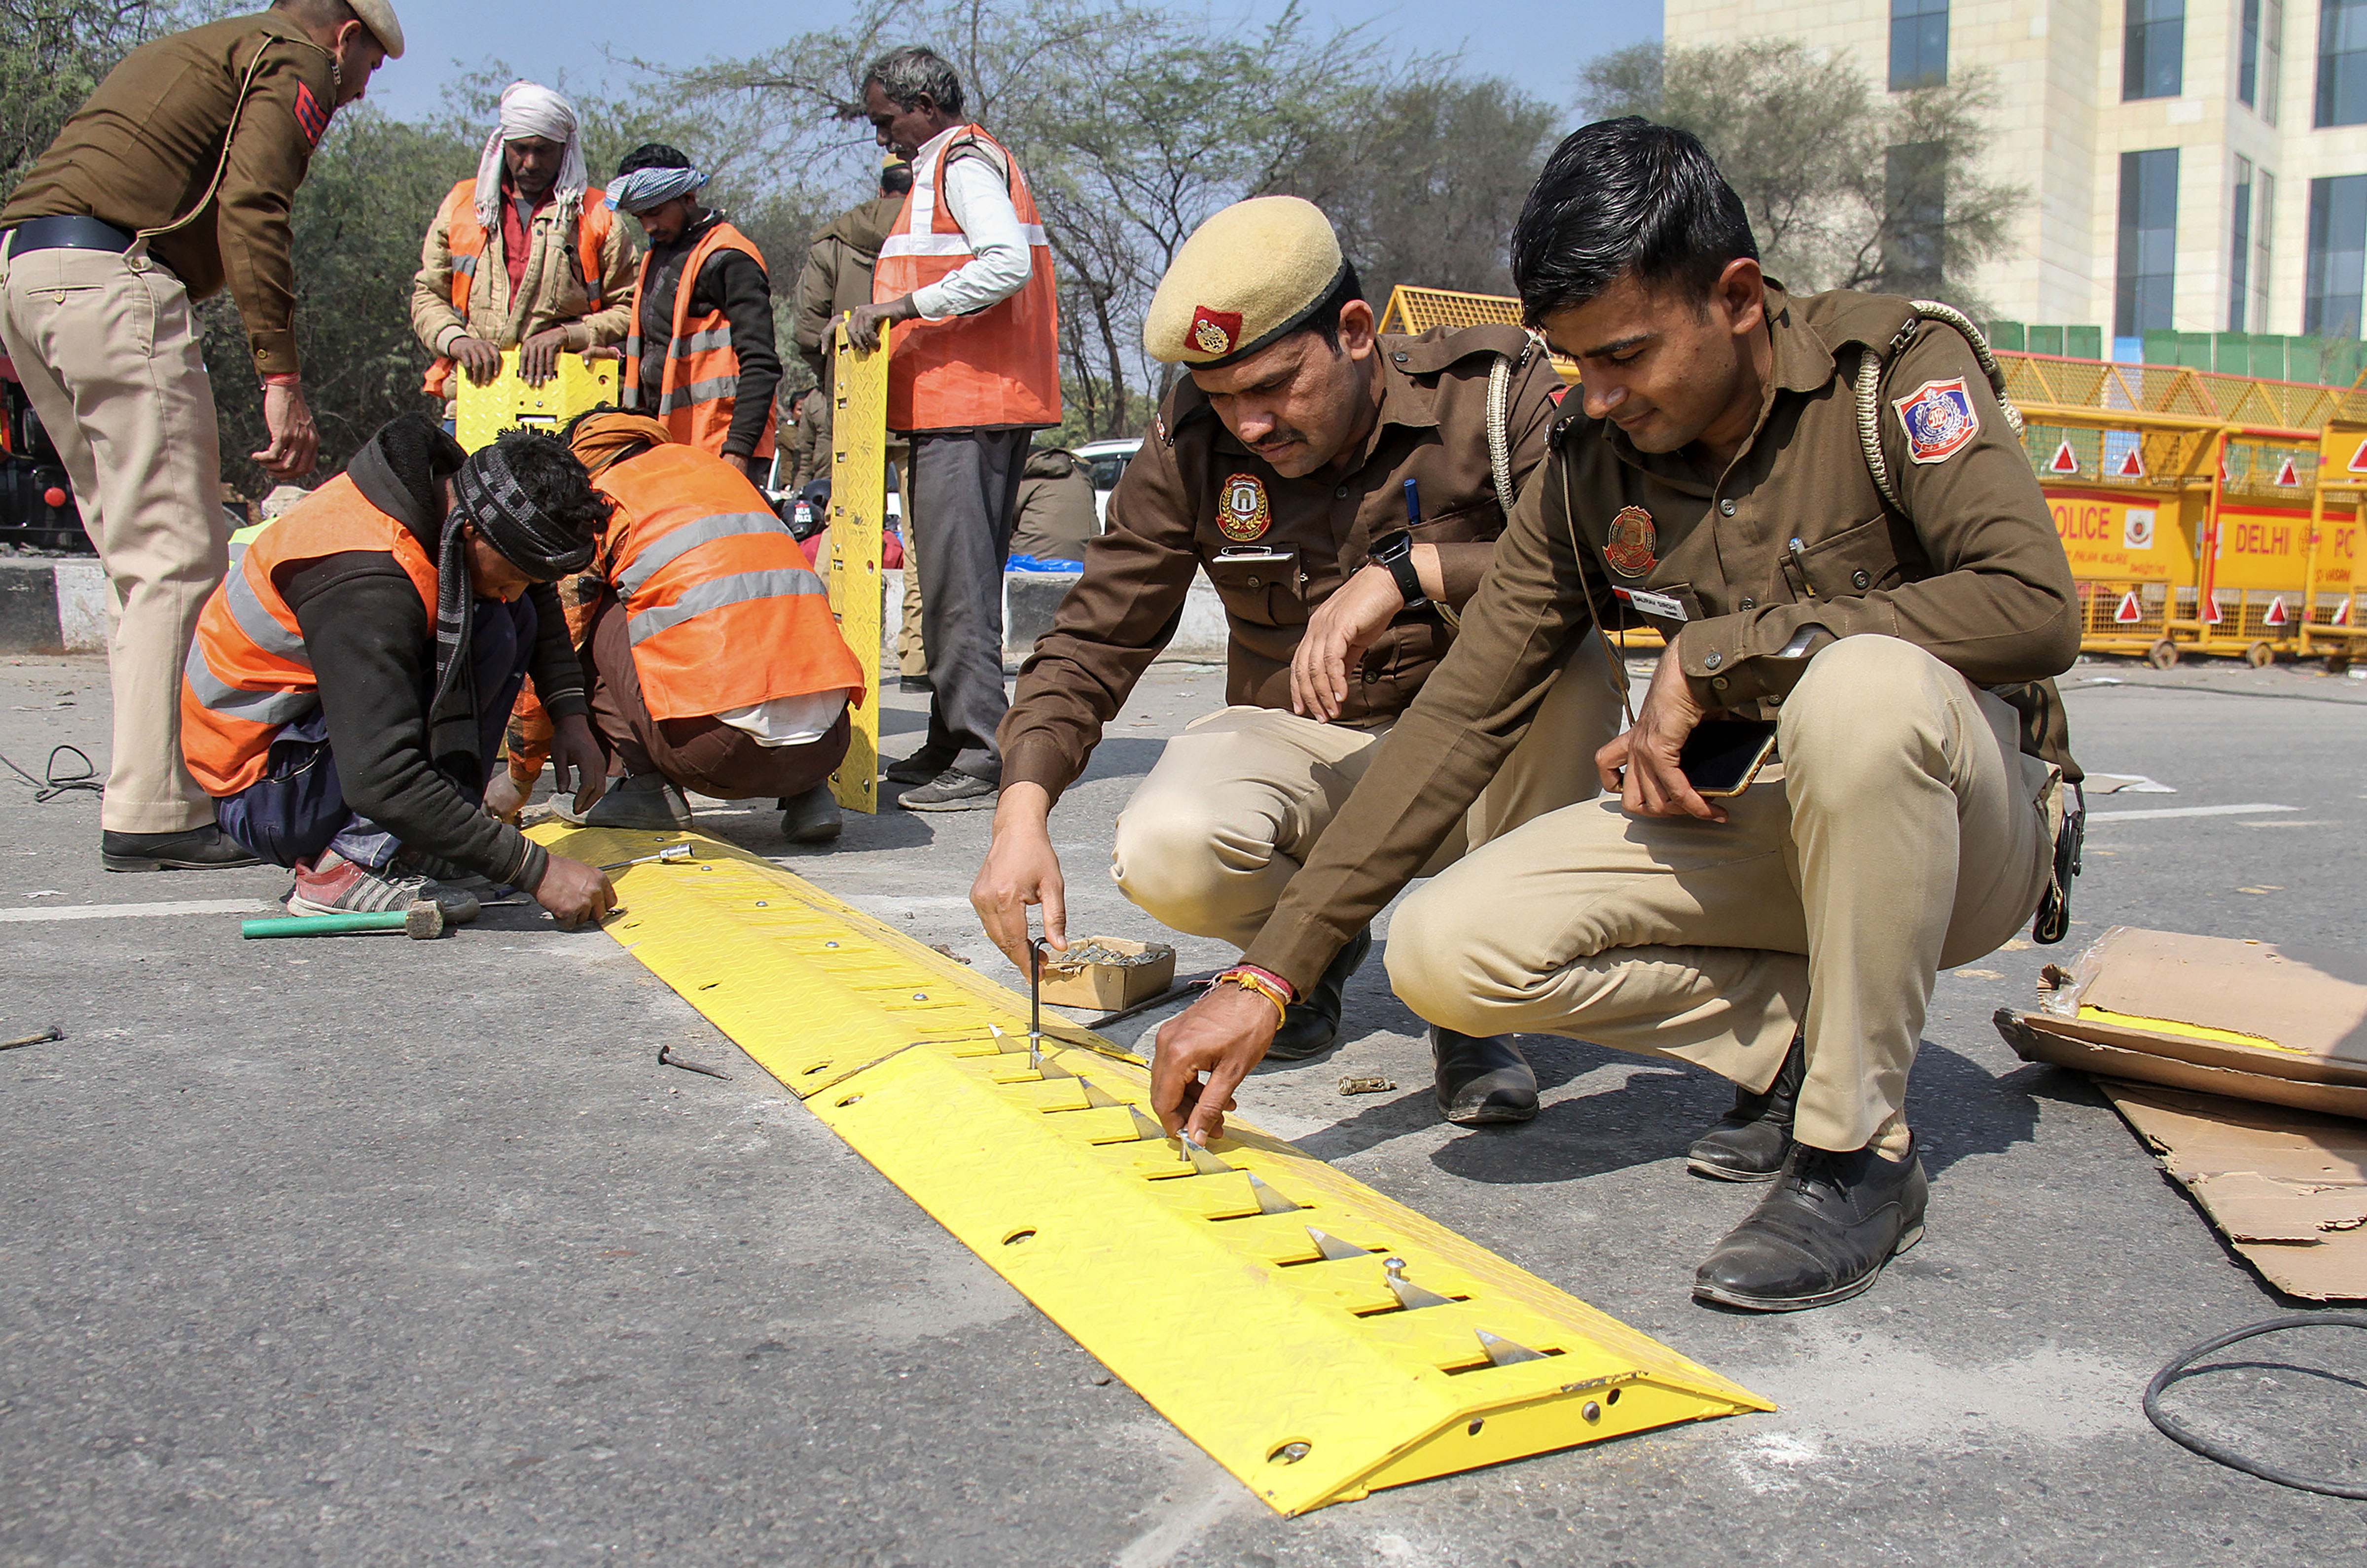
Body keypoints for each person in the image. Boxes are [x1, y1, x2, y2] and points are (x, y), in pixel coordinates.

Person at [1148, 120, 2084, 1314]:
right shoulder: (1595, 463)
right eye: (1574, 362)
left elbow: (2032, 604)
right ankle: (1802, 1028)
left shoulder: (1889, 375)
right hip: (1758, 818)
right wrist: (1271, 975)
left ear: (1734, 296)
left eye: (1626, 356)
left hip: (1959, 834)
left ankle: (1855, 1155)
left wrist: (1729, 649)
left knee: (1861, 687)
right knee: (1448, 950)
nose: (1595, 394)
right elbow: (1457, 718)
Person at [972, 196, 1608, 1121]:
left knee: (1570, 661)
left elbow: (1611, 557)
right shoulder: (1194, 442)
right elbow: (1097, 631)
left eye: (1273, 387)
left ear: (1355, 332)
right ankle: (1304, 963)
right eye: (1225, 398)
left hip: (1490, 761)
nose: (1251, 424)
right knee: (1166, 845)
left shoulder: (1496, 396)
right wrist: (1019, 810)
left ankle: (1473, 999)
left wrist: (1418, 569)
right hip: (1319, 755)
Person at [0, 0, 402, 872]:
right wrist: (281, 377)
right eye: (372, 64)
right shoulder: (295, 60)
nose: (365, 88)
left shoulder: (207, 45)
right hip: (113, 277)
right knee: (181, 557)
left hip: (29, 272)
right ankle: (161, 809)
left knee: (136, 560)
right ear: (344, 37)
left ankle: (142, 788)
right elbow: (253, 206)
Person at [181, 416, 619, 929]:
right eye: (517, 573)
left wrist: (569, 711)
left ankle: (409, 844)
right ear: (474, 531)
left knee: (503, 619)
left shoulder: (460, 496)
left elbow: (536, 593)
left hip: (310, 749)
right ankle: (343, 867)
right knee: (494, 622)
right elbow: (382, 778)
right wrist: (535, 870)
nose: (517, 589)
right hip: (267, 789)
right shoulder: (367, 577)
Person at [846, 46, 1061, 812]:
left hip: (970, 405)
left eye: (886, 121)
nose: (883, 139)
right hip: (961, 405)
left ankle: (979, 749)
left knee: (958, 585)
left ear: (924, 106)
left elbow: (1006, 265)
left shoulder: (961, 163)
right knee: (946, 583)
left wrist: (900, 310)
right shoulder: (952, 163)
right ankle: (951, 734)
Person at [549, 412, 867, 845]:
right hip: (827, 746)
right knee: (765, 603)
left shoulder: (604, 496)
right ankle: (808, 795)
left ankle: (644, 787)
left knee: (590, 603)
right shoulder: (718, 474)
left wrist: (518, 771)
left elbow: (563, 633)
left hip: (713, 752)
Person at [410, 80, 636, 414]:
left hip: (570, 402)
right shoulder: (464, 205)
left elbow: (630, 310)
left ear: (564, 149)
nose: (530, 163)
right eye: (520, 149)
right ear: (503, 145)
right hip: (477, 398)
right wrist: (457, 341)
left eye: (543, 150)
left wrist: (567, 334)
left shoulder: (597, 215)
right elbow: (429, 293)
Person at [608, 144, 781, 483]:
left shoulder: (729, 257)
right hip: (670, 446)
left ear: (688, 198)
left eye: (656, 212)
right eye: (640, 217)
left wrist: (738, 452)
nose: (648, 226)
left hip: (721, 448)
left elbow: (761, 362)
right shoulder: (659, 256)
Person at [791, 158, 915, 474]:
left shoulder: (833, 241)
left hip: (854, 400)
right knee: (923, 520)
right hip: (923, 408)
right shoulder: (938, 235)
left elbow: (808, 331)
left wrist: (834, 371)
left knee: (849, 517)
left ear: (880, 190)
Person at [1006, 446, 1096, 564]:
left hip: (1028, 560)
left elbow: (1006, 520)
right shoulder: (1083, 479)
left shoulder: (1026, 480)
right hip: (1084, 559)